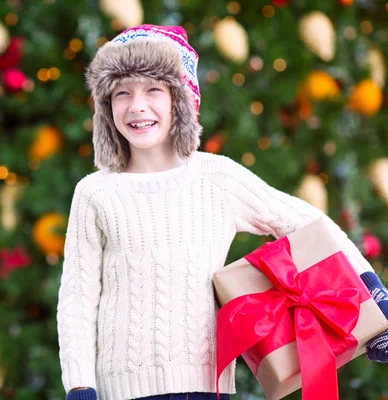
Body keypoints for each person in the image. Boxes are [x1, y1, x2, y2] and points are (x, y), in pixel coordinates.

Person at [56, 24, 388, 400]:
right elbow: (78, 298)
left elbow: (309, 224)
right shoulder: (95, 192)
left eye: (153, 89)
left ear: (181, 100)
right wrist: (80, 384)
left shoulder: (216, 176)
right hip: (117, 390)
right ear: (105, 106)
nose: (137, 106)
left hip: (204, 388)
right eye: (121, 92)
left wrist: (373, 297)